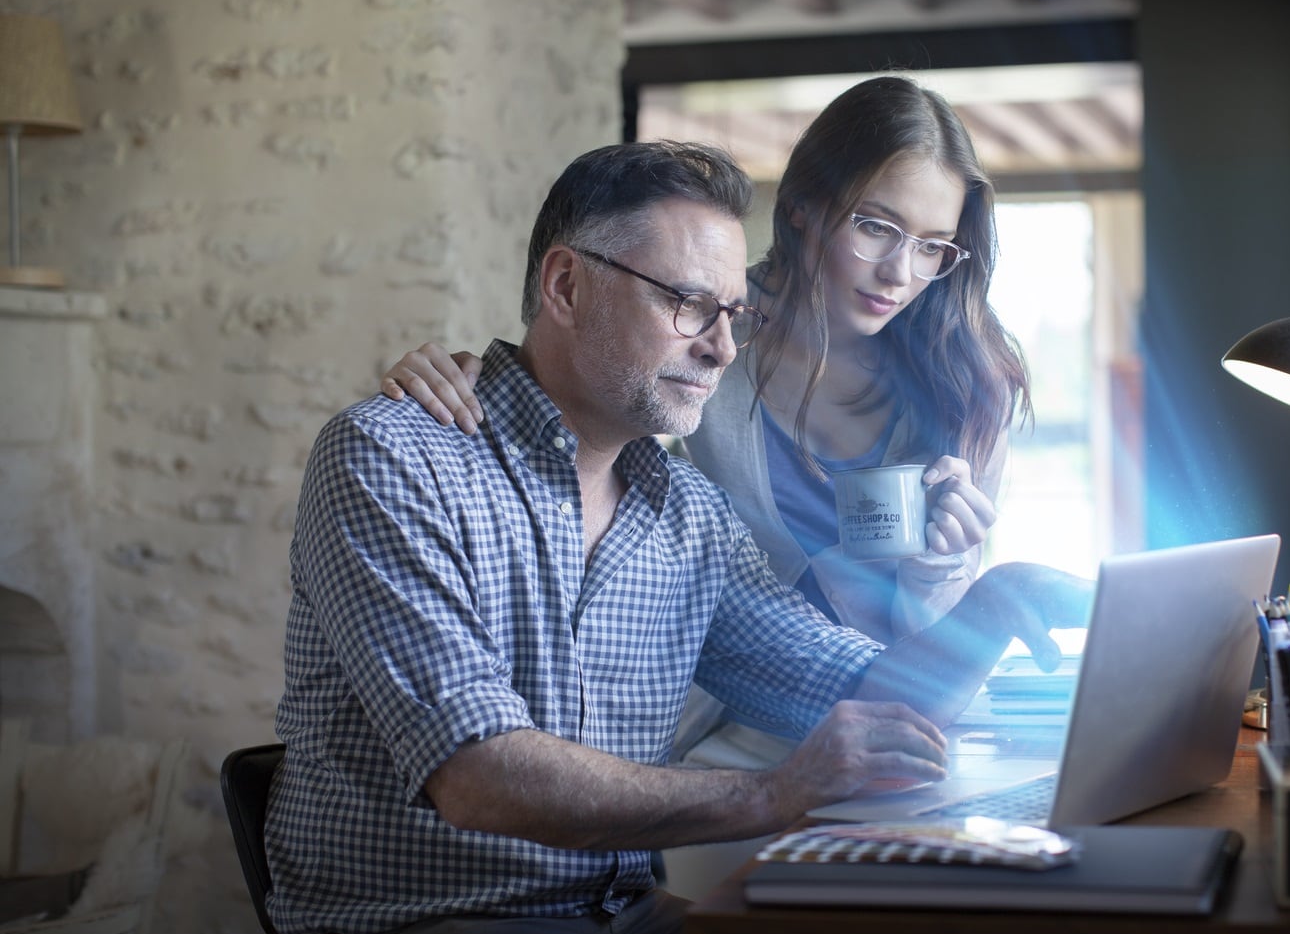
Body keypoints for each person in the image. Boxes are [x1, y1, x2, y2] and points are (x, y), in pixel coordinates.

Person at [268, 139, 1084, 934]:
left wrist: (993, 607)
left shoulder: (685, 512)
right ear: (565, 286)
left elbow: (864, 699)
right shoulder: (395, 455)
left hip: (630, 918)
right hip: (435, 932)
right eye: (689, 304)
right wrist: (776, 792)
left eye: (732, 313)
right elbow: (480, 777)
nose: (722, 350)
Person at [382, 76, 1036, 766]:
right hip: (707, 739)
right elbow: (581, 395)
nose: (900, 273)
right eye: (875, 226)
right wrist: (474, 380)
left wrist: (945, 571)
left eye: (934, 245)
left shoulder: (970, 385)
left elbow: (915, 663)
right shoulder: (703, 327)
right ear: (808, 209)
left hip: (887, 710)